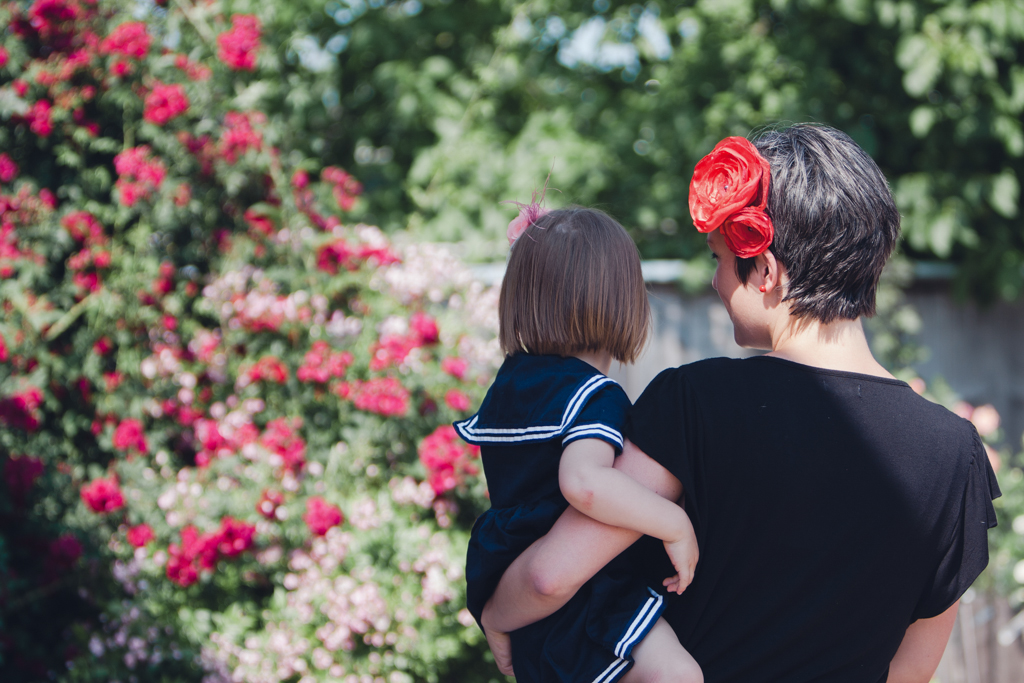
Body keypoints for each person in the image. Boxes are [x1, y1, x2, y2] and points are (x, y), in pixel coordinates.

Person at [479, 124, 1000, 683]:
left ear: (768, 271)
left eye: (721, 260)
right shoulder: (956, 454)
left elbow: (549, 577)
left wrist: (494, 615)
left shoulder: (694, 404)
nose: (715, 282)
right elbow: (911, 671)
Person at [455, 206, 702, 683]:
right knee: (679, 676)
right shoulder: (593, 395)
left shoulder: (510, 386)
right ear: (622, 298)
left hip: (516, 594)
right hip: (584, 601)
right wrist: (674, 523)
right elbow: (584, 482)